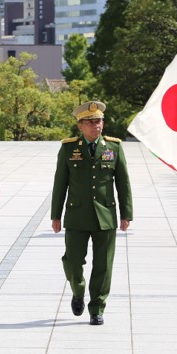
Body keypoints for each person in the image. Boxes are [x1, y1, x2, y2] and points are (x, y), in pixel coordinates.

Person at [51, 101, 133, 325]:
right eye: (90, 122)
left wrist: (126, 214)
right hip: (77, 215)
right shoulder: (69, 149)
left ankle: (97, 307)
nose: (96, 126)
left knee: (103, 266)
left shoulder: (113, 148)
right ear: (80, 126)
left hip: (105, 216)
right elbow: (60, 184)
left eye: (99, 121)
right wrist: (55, 215)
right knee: (72, 261)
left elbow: (123, 184)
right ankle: (78, 291)